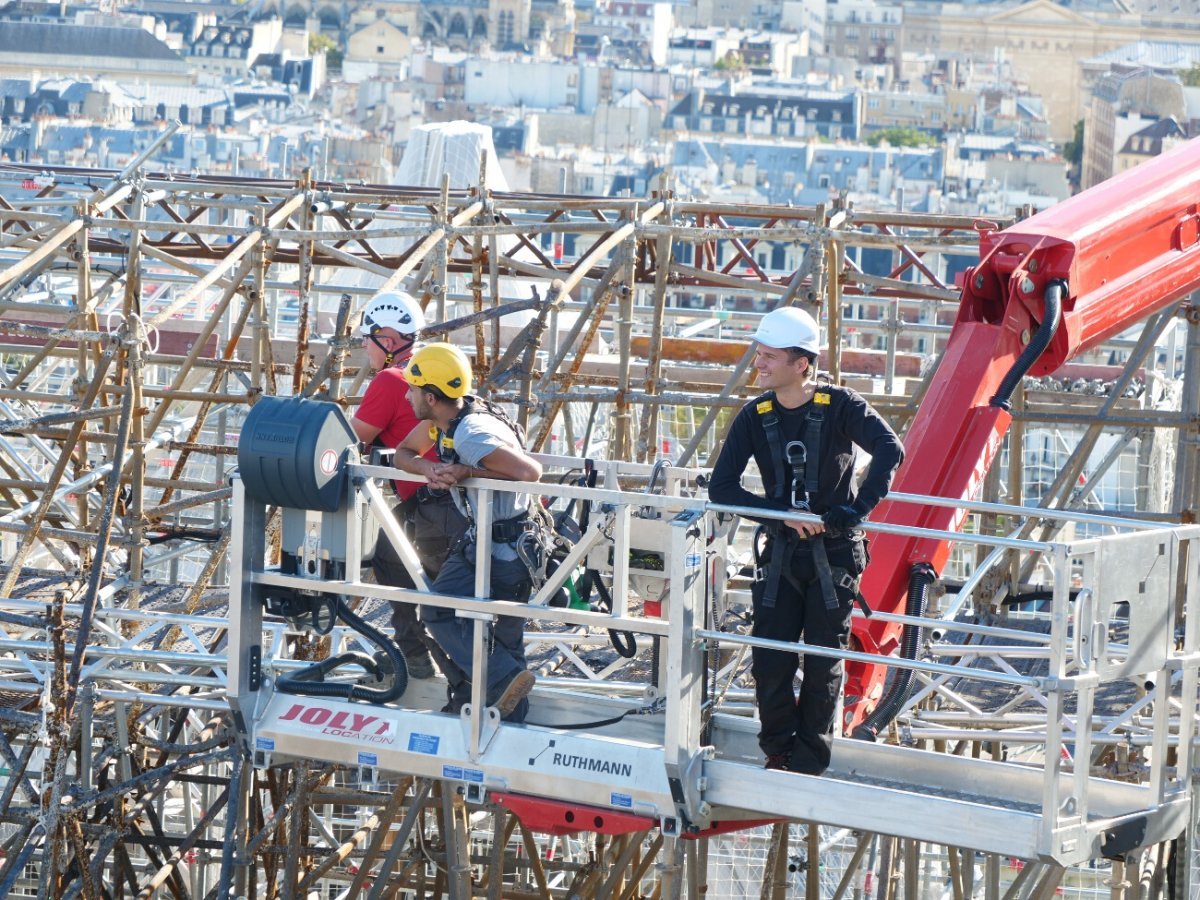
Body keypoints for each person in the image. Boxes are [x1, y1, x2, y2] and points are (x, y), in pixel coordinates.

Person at [708, 306, 904, 775]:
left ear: (802, 364)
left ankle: (810, 760)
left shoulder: (840, 406)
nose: (759, 364)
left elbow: (890, 449)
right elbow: (723, 488)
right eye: (759, 354)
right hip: (781, 555)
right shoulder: (755, 416)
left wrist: (853, 512)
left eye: (769, 357)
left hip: (834, 554)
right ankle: (778, 751)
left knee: (823, 659)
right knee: (770, 659)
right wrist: (782, 515)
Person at [392, 343, 543, 721]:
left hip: (506, 546)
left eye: (412, 390)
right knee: (477, 624)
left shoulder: (470, 434)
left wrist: (467, 472)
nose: (407, 396)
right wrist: (428, 470)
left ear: (430, 396)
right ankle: (501, 703)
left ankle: (503, 686)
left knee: (441, 612)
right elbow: (403, 453)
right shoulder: (448, 418)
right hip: (489, 540)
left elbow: (529, 474)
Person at [351, 291, 468, 682]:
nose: (364, 347)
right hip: (453, 506)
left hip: (429, 505)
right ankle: (427, 656)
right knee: (430, 584)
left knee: (388, 554)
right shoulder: (425, 375)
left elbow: (351, 439)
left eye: (367, 338)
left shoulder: (390, 379)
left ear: (387, 336)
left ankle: (415, 655)